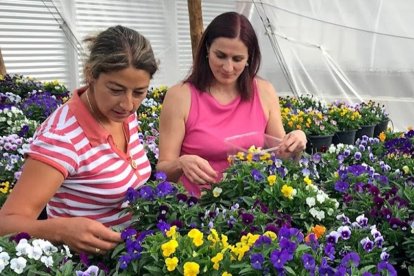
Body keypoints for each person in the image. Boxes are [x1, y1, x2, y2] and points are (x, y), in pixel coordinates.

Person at [0, 25, 158, 254]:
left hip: (132, 252)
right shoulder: (61, 138)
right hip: (87, 262)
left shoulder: (122, 115)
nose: (128, 104)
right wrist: (60, 230)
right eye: (115, 90)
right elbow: (6, 223)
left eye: (139, 92)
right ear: (90, 74)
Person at [156, 12, 307, 197]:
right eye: (220, 56)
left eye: (237, 59)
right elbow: (162, 171)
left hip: (252, 205)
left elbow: (281, 155)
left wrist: (297, 140)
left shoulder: (264, 91)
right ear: (206, 50)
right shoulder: (180, 96)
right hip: (197, 210)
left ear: (249, 58)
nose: (228, 68)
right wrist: (181, 163)